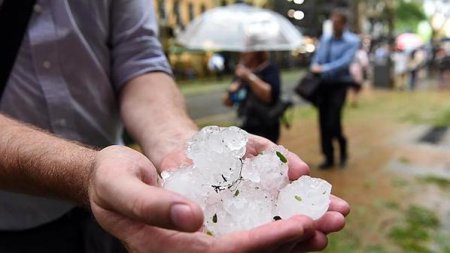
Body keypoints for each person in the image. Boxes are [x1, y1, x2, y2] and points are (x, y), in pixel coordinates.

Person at [0, 1, 349, 252]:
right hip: (11, 221)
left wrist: (180, 144)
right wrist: (84, 172)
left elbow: (138, 59)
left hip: (121, 204)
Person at [310, 9, 360, 169]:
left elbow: (344, 63)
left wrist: (323, 68)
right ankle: (328, 156)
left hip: (340, 85)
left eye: (337, 22)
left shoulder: (352, 41)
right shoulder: (326, 39)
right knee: (323, 122)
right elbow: (317, 59)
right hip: (323, 86)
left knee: (333, 121)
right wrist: (315, 67)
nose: (334, 25)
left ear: (344, 24)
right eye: (332, 22)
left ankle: (342, 146)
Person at [224, 51, 282, 143]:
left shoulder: (269, 68)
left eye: (247, 52)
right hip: (245, 123)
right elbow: (228, 102)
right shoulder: (240, 73)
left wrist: (249, 76)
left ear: (257, 52)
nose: (243, 54)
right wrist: (232, 90)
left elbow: (268, 96)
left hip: (266, 125)